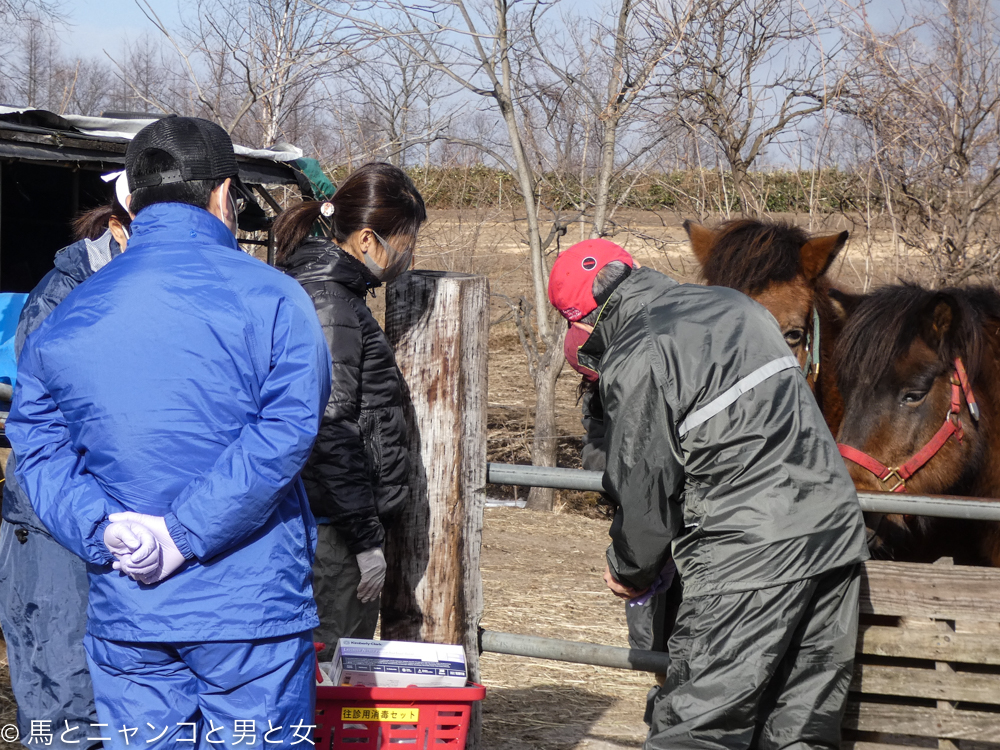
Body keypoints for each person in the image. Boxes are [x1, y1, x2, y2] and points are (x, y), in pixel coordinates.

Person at [6, 116, 331, 747]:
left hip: (128, 606)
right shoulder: (275, 299)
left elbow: (37, 441)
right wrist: (184, 534)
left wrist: (101, 526)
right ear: (223, 195)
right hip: (249, 608)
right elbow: (286, 429)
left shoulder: (72, 311)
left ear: (133, 199)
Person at [548, 239, 869, 750]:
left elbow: (644, 485)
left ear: (582, 320)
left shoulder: (639, 351)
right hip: (834, 538)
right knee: (798, 732)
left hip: (748, 552)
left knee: (696, 730)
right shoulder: (734, 304)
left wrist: (629, 567)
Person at [272, 162, 426, 652]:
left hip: (334, 522)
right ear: (366, 239)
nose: (410, 254)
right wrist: (364, 540)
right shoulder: (331, 306)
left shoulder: (333, 296)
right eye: (404, 239)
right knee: (330, 672)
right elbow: (328, 427)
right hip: (332, 530)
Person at [0, 193, 130, 750]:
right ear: (122, 228)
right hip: (53, 528)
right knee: (63, 700)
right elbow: (46, 428)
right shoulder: (66, 296)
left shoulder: (129, 290)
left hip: (106, 529)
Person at [565, 326, 682, 700]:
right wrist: (626, 467)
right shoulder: (600, 395)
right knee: (651, 621)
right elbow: (595, 447)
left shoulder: (661, 372)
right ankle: (663, 690)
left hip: (682, 510)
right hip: (643, 511)